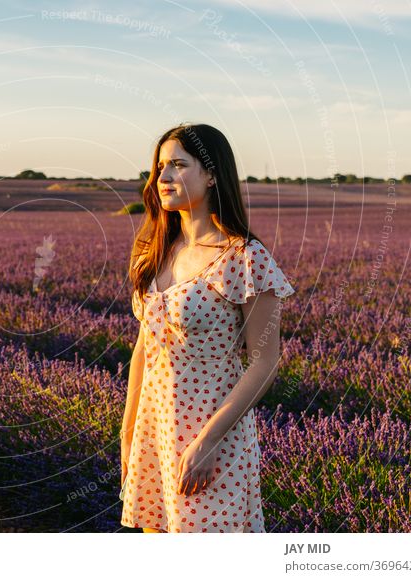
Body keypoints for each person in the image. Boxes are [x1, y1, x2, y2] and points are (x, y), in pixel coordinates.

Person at [119, 123, 295, 533]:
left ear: (212, 174)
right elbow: (144, 350)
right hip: (154, 433)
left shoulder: (245, 258)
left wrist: (209, 441)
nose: (162, 178)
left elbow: (265, 361)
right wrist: (128, 434)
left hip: (214, 441)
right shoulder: (155, 251)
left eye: (178, 165)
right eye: (160, 166)